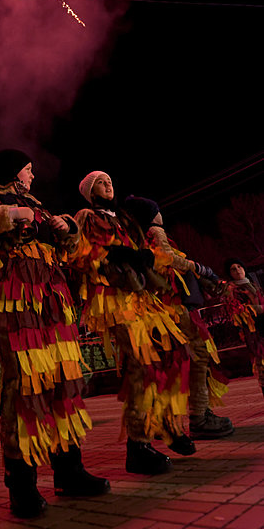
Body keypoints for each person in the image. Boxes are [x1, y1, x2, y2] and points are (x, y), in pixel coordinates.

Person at [0, 150, 109, 520]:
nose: (32, 177)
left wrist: (68, 231)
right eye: (28, 170)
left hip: (54, 304)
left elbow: (73, 253)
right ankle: (22, 485)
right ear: (13, 172)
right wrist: (11, 216)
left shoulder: (38, 206)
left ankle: (68, 470)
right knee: (25, 387)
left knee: (64, 382)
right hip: (15, 305)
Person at [74, 172, 192, 475]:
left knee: (171, 352)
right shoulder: (86, 216)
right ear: (89, 192)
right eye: (100, 182)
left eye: (109, 180)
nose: (108, 184)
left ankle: (166, 425)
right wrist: (112, 255)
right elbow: (80, 253)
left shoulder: (124, 218)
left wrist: (144, 257)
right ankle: (137, 446)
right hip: (113, 297)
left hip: (140, 295)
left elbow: (143, 248)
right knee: (140, 364)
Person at [124, 196, 233, 441]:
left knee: (194, 359)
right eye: (157, 210)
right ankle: (199, 417)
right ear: (151, 215)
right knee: (197, 357)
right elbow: (168, 258)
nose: (161, 214)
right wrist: (200, 269)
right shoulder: (155, 232)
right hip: (178, 307)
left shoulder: (147, 236)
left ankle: (198, 414)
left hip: (177, 305)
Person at [225, 258, 264, 396]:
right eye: (233, 269)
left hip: (262, 325)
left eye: (239, 266)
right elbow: (238, 311)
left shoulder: (253, 284)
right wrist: (260, 308)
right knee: (261, 363)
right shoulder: (232, 290)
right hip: (252, 331)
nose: (237, 270)